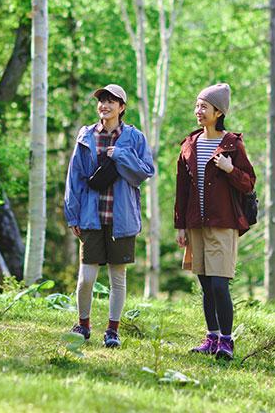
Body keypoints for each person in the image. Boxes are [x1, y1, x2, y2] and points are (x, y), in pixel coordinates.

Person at [63, 84, 155, 348]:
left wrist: (122, 155)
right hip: (90, 216)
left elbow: (145, 172)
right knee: (86, 279)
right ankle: (83, 324)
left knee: (117, 278)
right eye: (102, 101)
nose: (105, 105)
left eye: (111, 101)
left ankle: (112, 330)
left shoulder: (134, 138)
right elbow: (75, 177)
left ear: (122, 107)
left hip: (121, 218)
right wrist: (72, 215)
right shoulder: (86, 136)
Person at [174, 83, 256, 361]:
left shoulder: (232, 144)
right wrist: (180, 225)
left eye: (204, 107)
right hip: (196, 223)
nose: (198, 111)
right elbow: (182, 188)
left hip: (224, 223)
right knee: (206, 285)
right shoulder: (189, 143)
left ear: (218, 112)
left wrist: (230, 169)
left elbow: (249, 183)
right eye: (197, 105)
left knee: (220, 284)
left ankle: (226, 341)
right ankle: (211, 337)